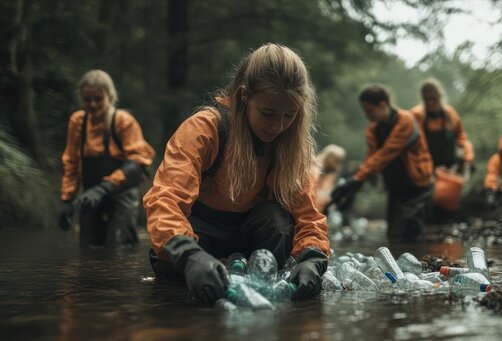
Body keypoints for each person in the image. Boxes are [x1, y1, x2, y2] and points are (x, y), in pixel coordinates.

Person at [143, 44, 330, 305]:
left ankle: (255, 280)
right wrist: (189, 255)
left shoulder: (291, 147)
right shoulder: (205, 129)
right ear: (244, 96)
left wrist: (312, 260)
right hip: (200, 239)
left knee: (277, 220)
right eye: (268, 113)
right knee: (170, 265)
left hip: (253, 241)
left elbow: (308, 218)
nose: (278, 126)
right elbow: (165, 200)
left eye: (290, 115)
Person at [58, 69, 155, 246]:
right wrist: (67, 199)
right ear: (81, 98)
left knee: (117, 247)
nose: (93, 104)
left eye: (98, 99)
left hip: (122, 196)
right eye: (87, 99)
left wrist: (103, 188)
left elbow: (140, 160)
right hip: (89, 197)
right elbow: (71, 162)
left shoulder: (123, 121)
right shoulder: (77, 122)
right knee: (88, 248)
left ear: (109, 97)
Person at [331, 84, 433, 243]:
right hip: (395, 185)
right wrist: (355, 181)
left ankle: (420, 261)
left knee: (408, 230)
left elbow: (387, 153)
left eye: (370, 111)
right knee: (393, 233)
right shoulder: (373, 130)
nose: (367, 116)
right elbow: (371, 158)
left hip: (416, 185)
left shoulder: (405, 120)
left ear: (383, 105)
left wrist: (358, 179)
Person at [410, 78, 474, 174]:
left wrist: (468, 158)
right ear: (423, 99)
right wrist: (427, 168)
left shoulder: (451, 113)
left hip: (451, 168)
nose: (431, 102)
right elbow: (417, 146)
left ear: (440, 96)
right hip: (426, 169)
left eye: (434, 98)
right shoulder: (416, 115)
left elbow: (462, 137)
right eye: (427, 99)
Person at [315, 144, 346, 211]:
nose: (336, 164)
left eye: (338, 161)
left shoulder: (330, 173)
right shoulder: (315, 168)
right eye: (336, 160)